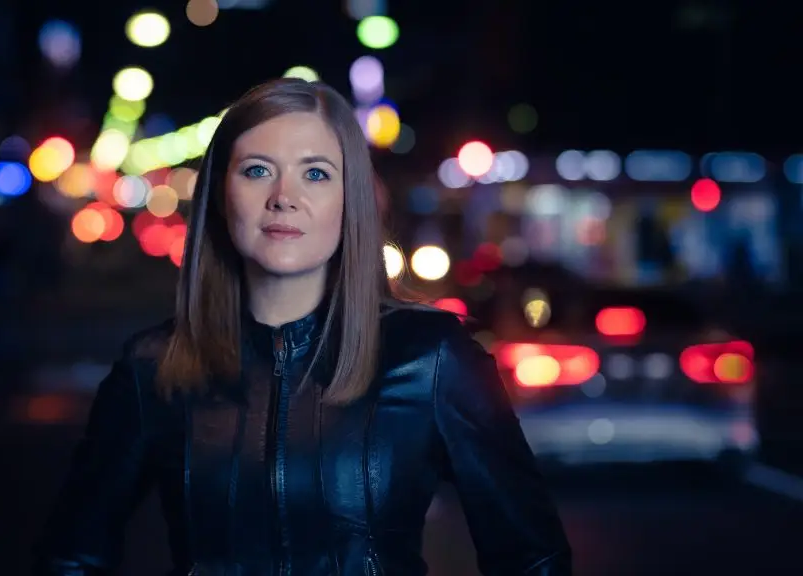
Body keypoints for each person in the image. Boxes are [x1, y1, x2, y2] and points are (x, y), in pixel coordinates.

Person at [34, 78, 572, 576]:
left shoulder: (431, 358)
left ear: (350, 199)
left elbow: (533, 558)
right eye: (256, 170)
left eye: (315, 173)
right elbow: (70, 556)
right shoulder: (153, 369)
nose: (283, 196)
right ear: (221, 196)